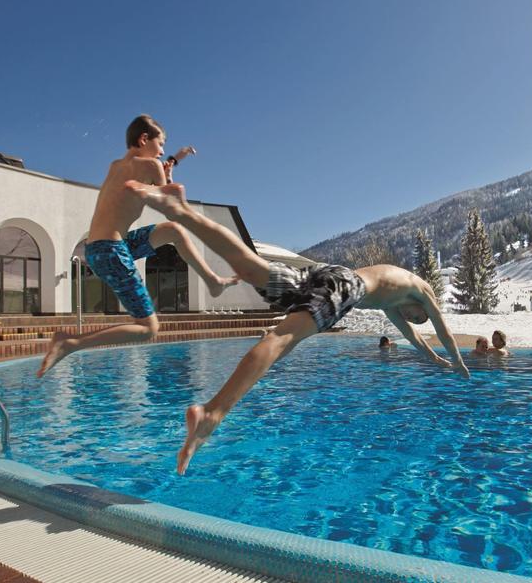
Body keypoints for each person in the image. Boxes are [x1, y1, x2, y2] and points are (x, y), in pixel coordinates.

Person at [127, 181, 470, 474]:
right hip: (345, 287)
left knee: (249, 265)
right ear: (422, 305)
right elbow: (441, 329)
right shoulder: (422, 289)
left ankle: (182, 212)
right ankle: (211, 414)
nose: (413, 319)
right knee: (280, 339)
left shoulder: (395, 301)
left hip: (327, 272)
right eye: (418, 316)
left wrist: (436, 360)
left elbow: (414, 338)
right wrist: (458, 361)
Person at [37, 115, 239, 377]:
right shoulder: (152, 165)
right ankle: (70, 343)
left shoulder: (115, 165)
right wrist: (169, 174)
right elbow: (172, 207)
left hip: (101, 247)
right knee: (148, 328)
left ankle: (213, 281)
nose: (162, 150)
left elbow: (148, 185)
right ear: (144, 139)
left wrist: (173, 163)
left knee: (173, 231)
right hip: (112, 251)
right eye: (161, 143)